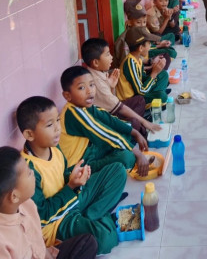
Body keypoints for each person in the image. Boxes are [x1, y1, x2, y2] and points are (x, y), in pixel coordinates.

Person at [16, 96, 127, 254]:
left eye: (58, 120)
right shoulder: (28, 170)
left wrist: (74, 177)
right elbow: (42, 217)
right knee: (105, 238)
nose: (57, 128)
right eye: (49, 124)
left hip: (72, 199)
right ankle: (96, 219)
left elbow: (62, 176)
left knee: (117, 171)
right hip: (57, 223)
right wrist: (71, 186)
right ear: (29, 134)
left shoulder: (54, 149)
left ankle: (90, 217)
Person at [0, 146, 98, 259]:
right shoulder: (3, 241)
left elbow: (39, 245)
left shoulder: (28, 206)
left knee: (88, 243)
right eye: (28, 173)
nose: (32, 172)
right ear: (14, 196)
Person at [59, 66, 150, 175]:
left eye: (92, 85)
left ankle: (126, 151)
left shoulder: (86, 106)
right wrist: (137, 154)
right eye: (81, 88)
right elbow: (103, 133)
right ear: (67, 96)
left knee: (129, 127)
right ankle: (127, 161)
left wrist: (135, 132)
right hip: (79, 166)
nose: (90, 91)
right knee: (127, 157)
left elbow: (109, 120)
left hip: (90, 151)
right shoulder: (73, 113)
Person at [81, 38, 161, 137]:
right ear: (96, 63)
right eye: (107, 54)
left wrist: (112, 87)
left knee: (139, 100)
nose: (111, 57)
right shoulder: (96, 81)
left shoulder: (101, 72)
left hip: (112, 109)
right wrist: (145, 122)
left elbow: (113, 100)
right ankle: (140, 131)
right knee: (133, 122)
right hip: (105, 120)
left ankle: (138, 126)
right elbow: (118, 107)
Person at [113, 0, 176, 69]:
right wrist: (150, 66)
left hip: (145, 56)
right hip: (138, 68)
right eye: (138, 22)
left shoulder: (142, 30)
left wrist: (160, 45)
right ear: (129, 23)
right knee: (169, 55)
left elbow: (146, 46)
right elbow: (129, 66)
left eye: (144, 22)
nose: (142, 25)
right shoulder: (125, 40)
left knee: (170, 39)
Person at [116, 26, 169, 107]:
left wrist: (155, 69)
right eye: (148, 44)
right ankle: (158, 96)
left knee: (163, 75)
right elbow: (140, 91)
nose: (150, 46)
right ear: (141, 48)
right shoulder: (130, 63)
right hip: (132, 100)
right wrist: (154, 73)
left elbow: (142, 78)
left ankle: (157, 94)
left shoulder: (138, 59)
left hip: (140, 92)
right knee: (162, 96)